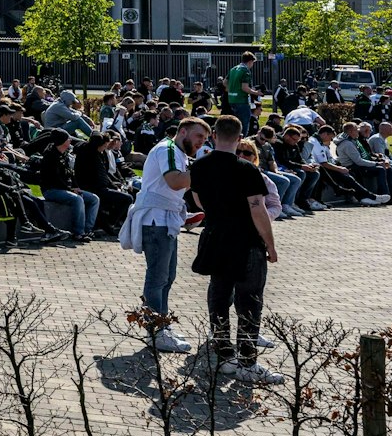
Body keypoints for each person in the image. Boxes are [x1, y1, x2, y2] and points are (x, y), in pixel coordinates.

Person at [188, 115, 282, 385]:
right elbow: (257, 208)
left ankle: (224, 353)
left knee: (218, 296)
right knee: (249, 301)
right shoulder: (247, 169)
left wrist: (216, 212)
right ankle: (248, 362)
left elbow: (196, 197)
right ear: (240, 138)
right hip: (246, 240)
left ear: (213, 135)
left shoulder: (200, 166)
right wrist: (271, 244)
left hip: (215, 236)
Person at [119, 117, 207, 352]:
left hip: (165, 220)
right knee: (157, 277)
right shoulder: (167, 149)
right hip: (156, 220)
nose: (201, 143)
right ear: (183, 131)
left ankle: (162, 325)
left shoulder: (177, 152)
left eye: (205, 139)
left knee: (167, 277)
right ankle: (155, 331)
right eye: (199, 136)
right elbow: (175, 181)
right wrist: (206, 169)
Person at [225, 51, 257, 131]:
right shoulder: (245, 71)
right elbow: (245, 88)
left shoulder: (233, 69)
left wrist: (232, 88)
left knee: (234, 124)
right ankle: (242, 141)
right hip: (242, 100)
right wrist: (256, 92)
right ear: (250, 62)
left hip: (231, 100)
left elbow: (225, 82)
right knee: (243, 125)